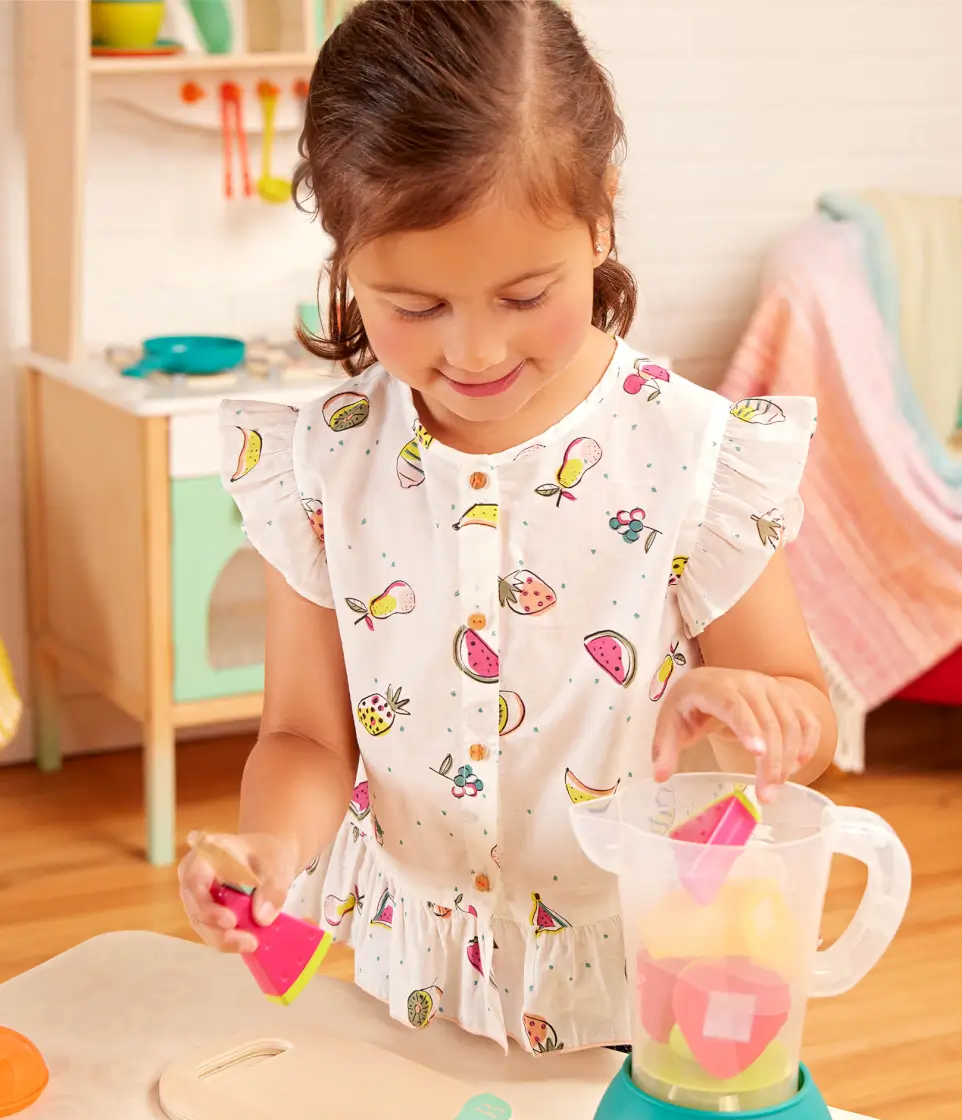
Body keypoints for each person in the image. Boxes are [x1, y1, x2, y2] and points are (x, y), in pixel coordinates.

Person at [178, 0, 837, 1054]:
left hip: (640, 966)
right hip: (413, 971)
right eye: (414, 306)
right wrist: (268, 847)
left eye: (524, 295)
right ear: (344, 258)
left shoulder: (692, 456)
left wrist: (757, 712)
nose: (475, 350)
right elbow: (303, 736)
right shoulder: (325, 466)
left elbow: (805, 716)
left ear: (600, 218)